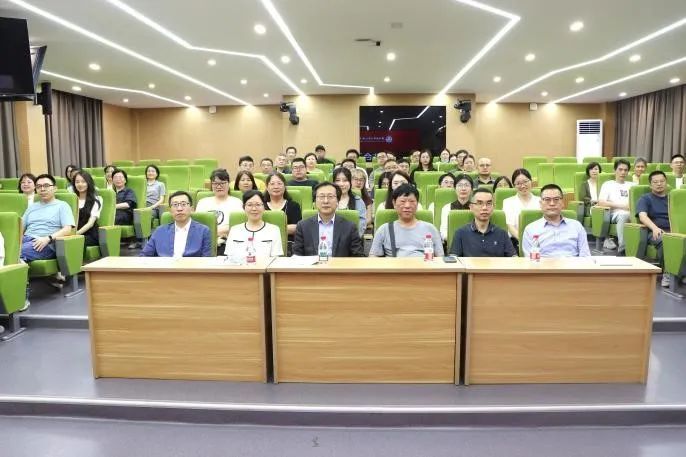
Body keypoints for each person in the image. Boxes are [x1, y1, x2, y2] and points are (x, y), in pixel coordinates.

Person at [370, 184, 443, 257]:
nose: (407, 206)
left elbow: (440, 259)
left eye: (412, 201)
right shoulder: (384, 230)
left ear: (417, 204)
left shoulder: (430, 229)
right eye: (403, 201)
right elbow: (373, 258)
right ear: (394, 203)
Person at [293, 182, 364, 257]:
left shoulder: (349, 227)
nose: (326, 201)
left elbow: (358, 256)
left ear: (337, 201)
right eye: (321, 197)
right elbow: (297, 256)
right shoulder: (303, 226)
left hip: (339, 264)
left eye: (330, 196)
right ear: (315, 202)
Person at [522, 184, 591, 258]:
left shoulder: (576, 226)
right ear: (541, 204)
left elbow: (585, 256)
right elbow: (530, 260)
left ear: (562, 203)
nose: (552, 203)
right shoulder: (530, 229)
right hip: (543, 265)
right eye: (547, 199)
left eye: (556, 199)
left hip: (572, 264)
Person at [21, 174, 75, 263]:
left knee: (16, 252)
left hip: (47, 242)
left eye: (46, 185)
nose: (42, 189)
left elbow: (67, 229)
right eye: (39, 186)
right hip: (27, 239)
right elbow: (20, 227)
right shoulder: (32, 207)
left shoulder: (62, 205)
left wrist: (48, 238)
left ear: (55, 188)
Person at [140, 191, 211, 257]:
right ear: (170, 210)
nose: (179, 209)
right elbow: (144, 256)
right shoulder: (160, 231)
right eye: (175, 205)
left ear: (191, 209)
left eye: (183, 204)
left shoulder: (203, 231)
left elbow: (206, 260)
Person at [449, 188, 517, 257]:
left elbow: (514, 258)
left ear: (493, 207)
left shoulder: (502, 234)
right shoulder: (460, 233)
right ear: (471, 207)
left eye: (489, 203)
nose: (484, 208)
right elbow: (454, 259)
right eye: (480, 203)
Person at [196, 168, 244, 255]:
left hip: (228, 243)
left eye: (222, 183)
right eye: (215, 183)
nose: (219, 186)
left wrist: (212, 232)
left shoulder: (237, 202)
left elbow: (237, 226)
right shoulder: (203, 202)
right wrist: (222, 230)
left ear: (228, 184)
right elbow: (198, 226)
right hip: (205, 242)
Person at [636, 171, 671, 287]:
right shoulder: (645, 198)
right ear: (650, 185)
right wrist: (655, 228)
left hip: (674, 231)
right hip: (654, 232)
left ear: (666, 182)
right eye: (655, 182)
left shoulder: (672, 198)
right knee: (665, 240)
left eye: (662, 181)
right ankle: (668, 273)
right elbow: (642, 216)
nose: (659, 184)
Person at [226, 190, 283, 260]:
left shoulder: (274, 230)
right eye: (249, 205)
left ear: (264, 207)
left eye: (258, 205)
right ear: (244, 207)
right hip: (239, 266)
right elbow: (229, 257)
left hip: (265, 266)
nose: (254, 209)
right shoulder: (235, 230)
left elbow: (276, 259)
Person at [598, 158, 634, 254]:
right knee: (624, 215)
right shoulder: (608, 184)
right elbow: (601, 202)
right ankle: (623, 249)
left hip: (632, 212)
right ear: (615, 170)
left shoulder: (633, 185)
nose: (623, 172)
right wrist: (623, 206)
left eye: (625, 170)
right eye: (620, 169)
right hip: (614, 214)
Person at [503, 168, 540, 248]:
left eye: (525, 182)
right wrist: (524, 241)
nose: (523, 186)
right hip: (515, 241)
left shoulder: (540, 201)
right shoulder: (508, 202)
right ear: (514, 185)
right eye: (518, 183)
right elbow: (510, 226)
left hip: (539, 241)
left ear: (531, 181)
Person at [265, 172, 302, 237]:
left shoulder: (294, 206)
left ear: (284, 187)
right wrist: (285, 228)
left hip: (288, 241)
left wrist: (269, 230)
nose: (276, 187)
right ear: (267, 188)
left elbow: (297, 228)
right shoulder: (261, 206)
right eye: (272, 184)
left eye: (279, 183)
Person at [72, 170, 102, 248]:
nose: (80, 184)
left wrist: (75, 235)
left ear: (89, 183)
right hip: (73, 233)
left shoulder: (96, 199)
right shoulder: (72, 199)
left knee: (73, 242)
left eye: (83, 182)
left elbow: (90, 224)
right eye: (77, 182)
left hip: (90, 234)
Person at [333, 167, 367, 236]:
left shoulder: (358, 201)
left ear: (350, 182)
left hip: (352, 239)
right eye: (337, 180)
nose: (341, 184)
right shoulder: (327, 200)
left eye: (345, 180)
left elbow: (361, 225)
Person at [439, 174, 474, 241]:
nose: (463, 189)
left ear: (471, 190)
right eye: (460, 185)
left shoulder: (476, 208)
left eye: (466, 185)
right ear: (455, 189)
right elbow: (443, 231)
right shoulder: (447, 208)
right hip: (452, 242)